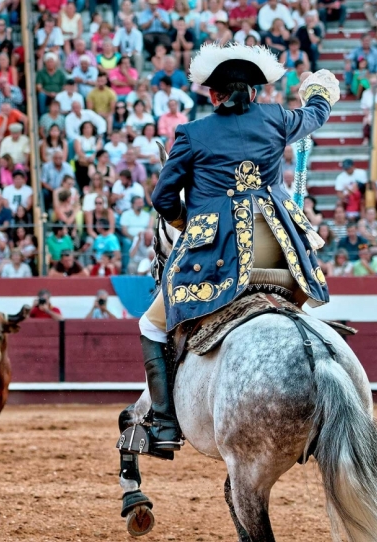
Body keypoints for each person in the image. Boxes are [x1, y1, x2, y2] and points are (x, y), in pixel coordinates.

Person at [128, 44, 340, 457]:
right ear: (255, 92)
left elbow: (163, 198)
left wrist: (187, 223)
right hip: (280, 250)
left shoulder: (193, 133)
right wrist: (318, 90)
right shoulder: (277, 118)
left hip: (219, 253)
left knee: (151, 325)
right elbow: (315, 114)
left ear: (214, 95)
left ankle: (166, 423)